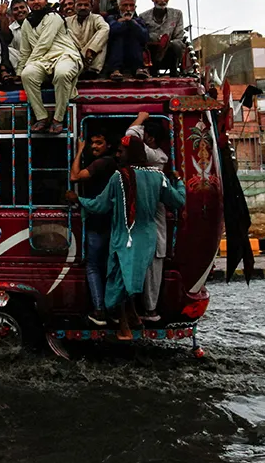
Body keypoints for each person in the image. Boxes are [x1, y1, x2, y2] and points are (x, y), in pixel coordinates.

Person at [68, 135, 185, 340]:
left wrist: (78, 199)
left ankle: (124, 327)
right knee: (130, 279)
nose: (118, 154)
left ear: (130, 154)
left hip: (125, 235)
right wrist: (179, 181)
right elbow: (177, 200)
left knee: (118, 280)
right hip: (148, 238)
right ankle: (134, 319)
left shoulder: (119, 177)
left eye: (121, 151)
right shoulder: (158, 177)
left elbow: (100, 205)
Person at [17, 0, 82, 134]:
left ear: (46, 0)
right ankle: (41, 117)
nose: (36, 1)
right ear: (27, 2)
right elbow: (25, 49)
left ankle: (58, 119)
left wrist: (28, 63)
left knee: (62, 74)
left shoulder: (53, 16)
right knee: (27, 75)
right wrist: (20, 71)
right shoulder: (27, 22)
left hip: (64, 55)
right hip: (42, 60)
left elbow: (44, 44)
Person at [126, 111, 170, 321]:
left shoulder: (154, 156)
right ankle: (147, 310)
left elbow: (129, 135)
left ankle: (148, 310)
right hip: (148, 223)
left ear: (150, 139)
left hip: (148, 224)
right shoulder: (158, 159)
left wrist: (141, 118)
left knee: (150, 267)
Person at [71, 131, 118, 325]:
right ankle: (113, 310)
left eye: (99, 142)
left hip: (98, 222)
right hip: (111, 223)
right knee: (109, 267)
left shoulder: (103, 163)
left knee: (93, 266)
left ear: (108, 145)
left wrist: (79, 150)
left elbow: (75, 176)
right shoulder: (112, 164)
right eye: (91, 144)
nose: (94, 146)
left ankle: (99, 309)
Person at [139, 0, 187, 74]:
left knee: (177, 44)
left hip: (171, 51)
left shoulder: (177, 14)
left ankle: (172, 67)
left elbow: (179, 36)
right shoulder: (143, 16)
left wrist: (167, 44)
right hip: (152, 53)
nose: (162, 0)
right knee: (151, 38)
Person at [103, 0, 150, 80]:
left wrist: (131, 23)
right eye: (125, 5)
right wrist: (124, 23)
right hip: (116, 54)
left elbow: (145, 37)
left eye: (131, 5)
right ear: (119, 7)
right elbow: (111, 30)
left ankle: (139, 68)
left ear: (135, 8)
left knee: (133, 34)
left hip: (134, 55)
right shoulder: (111, 18)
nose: (128, 9)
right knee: (119, 36)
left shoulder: (138, 21)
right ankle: (115, 70)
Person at [66, 0, 109, 79]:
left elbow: (105, 29)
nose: (82, 7)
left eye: (86, 5)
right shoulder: (67, 21)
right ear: (75, 6)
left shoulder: (96, 18)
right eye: (79, 5)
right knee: (66, 34)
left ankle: (93, 70)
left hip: (92, 60)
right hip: (75, 58)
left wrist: (91, 50)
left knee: (103, 34)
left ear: (91, 6)